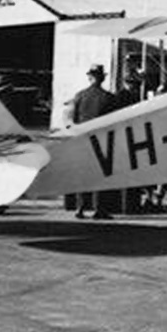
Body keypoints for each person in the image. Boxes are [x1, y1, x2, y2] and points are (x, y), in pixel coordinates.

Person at [68, 64, 117, 220]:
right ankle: (99, 209)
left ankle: (80, 207)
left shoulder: (79, 96)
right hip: (101, 141)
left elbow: (74, 119)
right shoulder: (108, 98)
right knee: (100, 176)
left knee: (83, 175)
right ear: (102, 78)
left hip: (83, 140)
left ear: (90, 77)